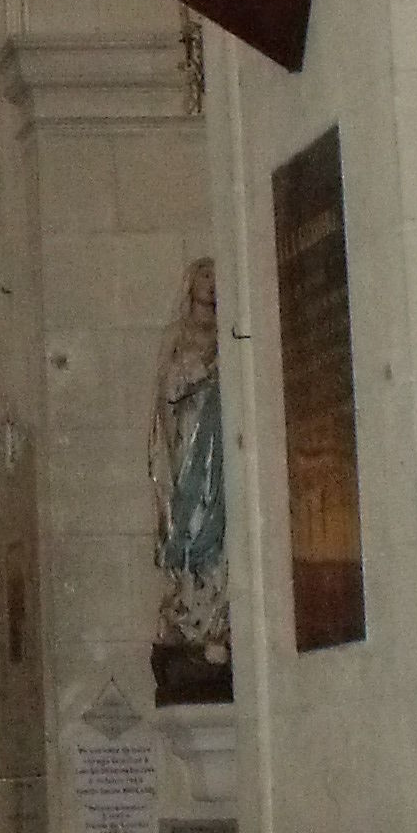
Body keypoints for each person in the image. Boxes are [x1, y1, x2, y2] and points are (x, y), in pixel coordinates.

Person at [150, 257, 229, 678]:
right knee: (188, 515)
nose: (211, 284)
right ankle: (187, 604)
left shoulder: (227, 332)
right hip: (187, 437)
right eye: (204, 275)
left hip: (219, 437)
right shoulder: (177, 334)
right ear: (190, 283)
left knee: (217, 517)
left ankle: (213, 613)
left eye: (217, 277)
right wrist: (196, 374)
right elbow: (166, 392)